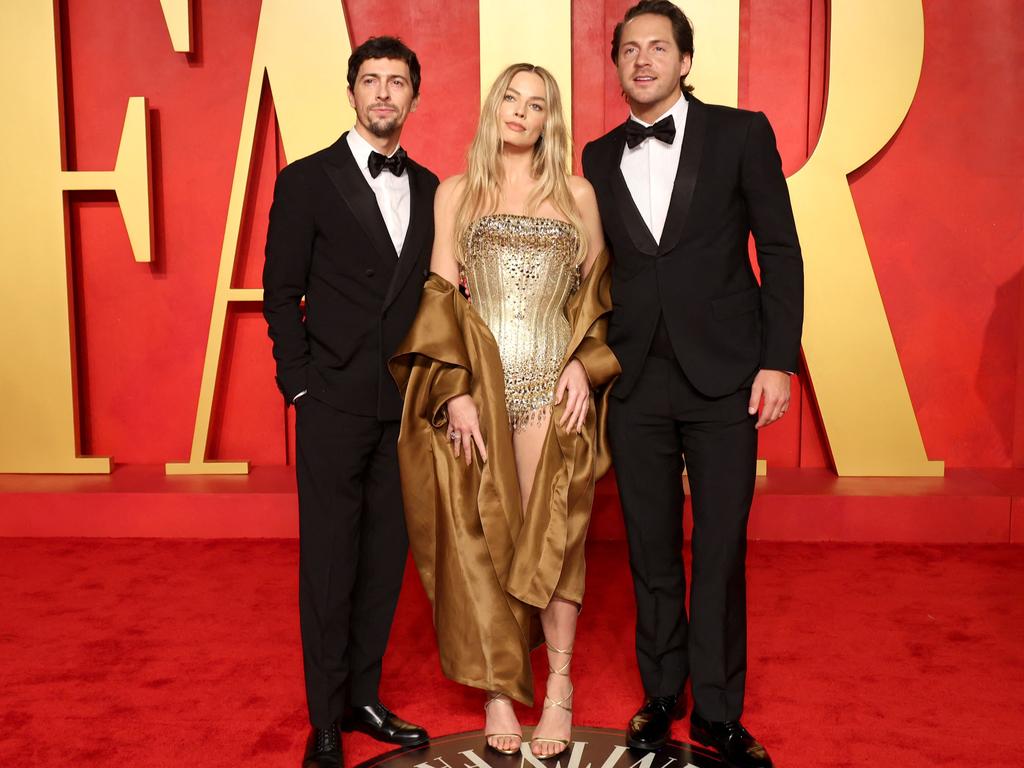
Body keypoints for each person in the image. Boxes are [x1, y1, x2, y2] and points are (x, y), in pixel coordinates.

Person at [581, 2, 803, 767]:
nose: (642, 60)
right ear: (617, 66)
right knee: (648, 549)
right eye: (629, 49)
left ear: (684, 60)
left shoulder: (742, 133)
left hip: (725, 377)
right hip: (636, 377)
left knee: (719, 547)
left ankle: (716, 711)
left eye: (657, 47)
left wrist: (778, 359)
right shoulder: (597, 155)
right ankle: (661, 694)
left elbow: (780, 248)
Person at [389, 63, 619, 759]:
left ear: (551, 119)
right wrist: (452, 389)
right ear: (493, 109)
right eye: (511, 99)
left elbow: (602, 297)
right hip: (484, 392)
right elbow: (438, 295)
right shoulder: (457, 193)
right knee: (484, 538)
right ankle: (497, 690)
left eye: (538, 104)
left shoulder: (577, 193)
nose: (522, 112)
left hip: (552, 389)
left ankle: (558, 690)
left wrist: (585, 363)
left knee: (555, 535)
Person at [262, 36, 438, 768]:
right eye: (372, 81)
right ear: (351, 91)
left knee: (385, 558)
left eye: (398, 83)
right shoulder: (307, 180)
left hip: (402, 406)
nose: (384, 94)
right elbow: (280, 291)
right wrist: (299, 382)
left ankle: (363, 693)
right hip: (331, 400)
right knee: (330, 561)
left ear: (413, 97)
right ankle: (325, 715)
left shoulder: (432, 188)